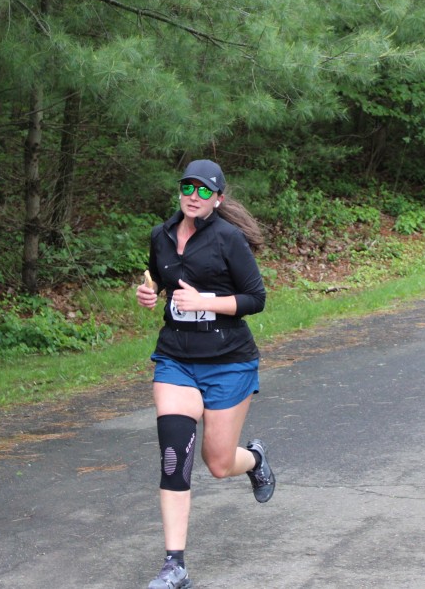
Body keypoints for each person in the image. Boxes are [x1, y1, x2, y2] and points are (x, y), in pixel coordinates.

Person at [136, 159, 275, 589]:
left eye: (203, 190)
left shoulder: (228, 238)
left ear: (218, 198)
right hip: (175, 359)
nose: (193, 196)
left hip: (228, 360)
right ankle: (174, 564)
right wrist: (148, 292)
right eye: (187, 188)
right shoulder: (161, 235)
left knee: (218, 463)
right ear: (180, 191)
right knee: (174, 456)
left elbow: (255, 298)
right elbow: (160, 279)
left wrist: (206, 302)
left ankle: (254, 459)